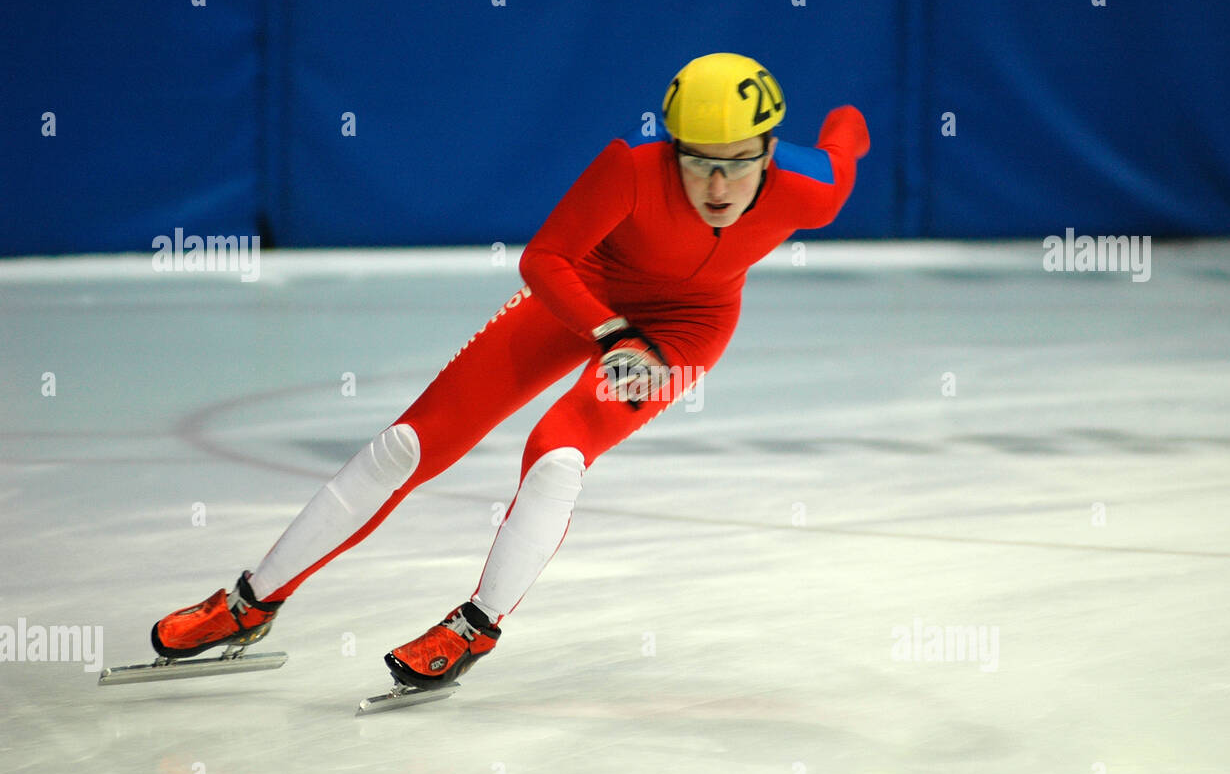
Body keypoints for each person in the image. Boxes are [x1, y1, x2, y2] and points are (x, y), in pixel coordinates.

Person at [150, 52, 871, 690]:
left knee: (557, 455)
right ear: (671, 146)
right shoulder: (629, 170)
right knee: (408, 444)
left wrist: (847, 114)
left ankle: (475, 625)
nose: (718, 184)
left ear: (772, 151)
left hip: (684, 330)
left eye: (740, 161)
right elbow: (543, 261)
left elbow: (848, 136)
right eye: (698, 161)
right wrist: (611, 328)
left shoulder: (809, 189)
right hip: (584, 297)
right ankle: (250, 604)